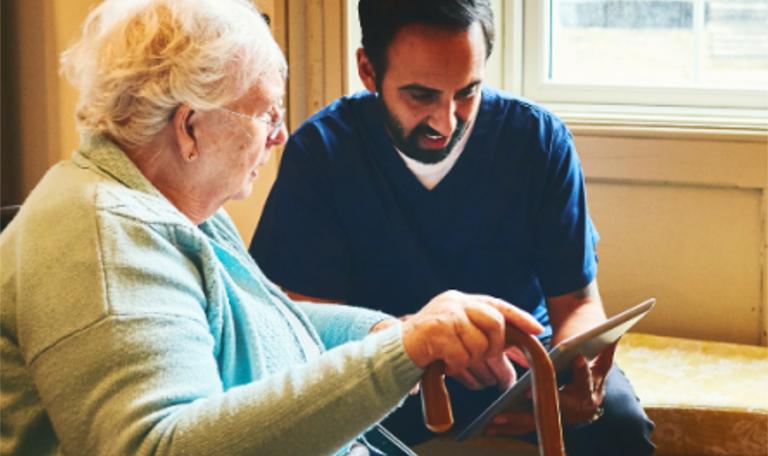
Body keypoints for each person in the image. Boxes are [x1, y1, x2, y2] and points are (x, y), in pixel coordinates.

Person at [0, 1, 546, 455]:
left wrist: (394, 333)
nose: (280, 136)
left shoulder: (166, 203)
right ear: (190, 126)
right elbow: (156, 447)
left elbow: (255, 317)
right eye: (265, 114)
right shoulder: (102, 241)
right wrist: (400, 352)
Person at [250, 0, 655, 454]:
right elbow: (296, 319)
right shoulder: (322, 153)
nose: (446, 122)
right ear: (367, 70)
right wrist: (414, 341)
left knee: (619, 425)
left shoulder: (539, 141)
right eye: (421, 96)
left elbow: (578, 301)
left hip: (521, 373)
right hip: (391, 376)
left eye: (467, 92)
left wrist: (579, 372)